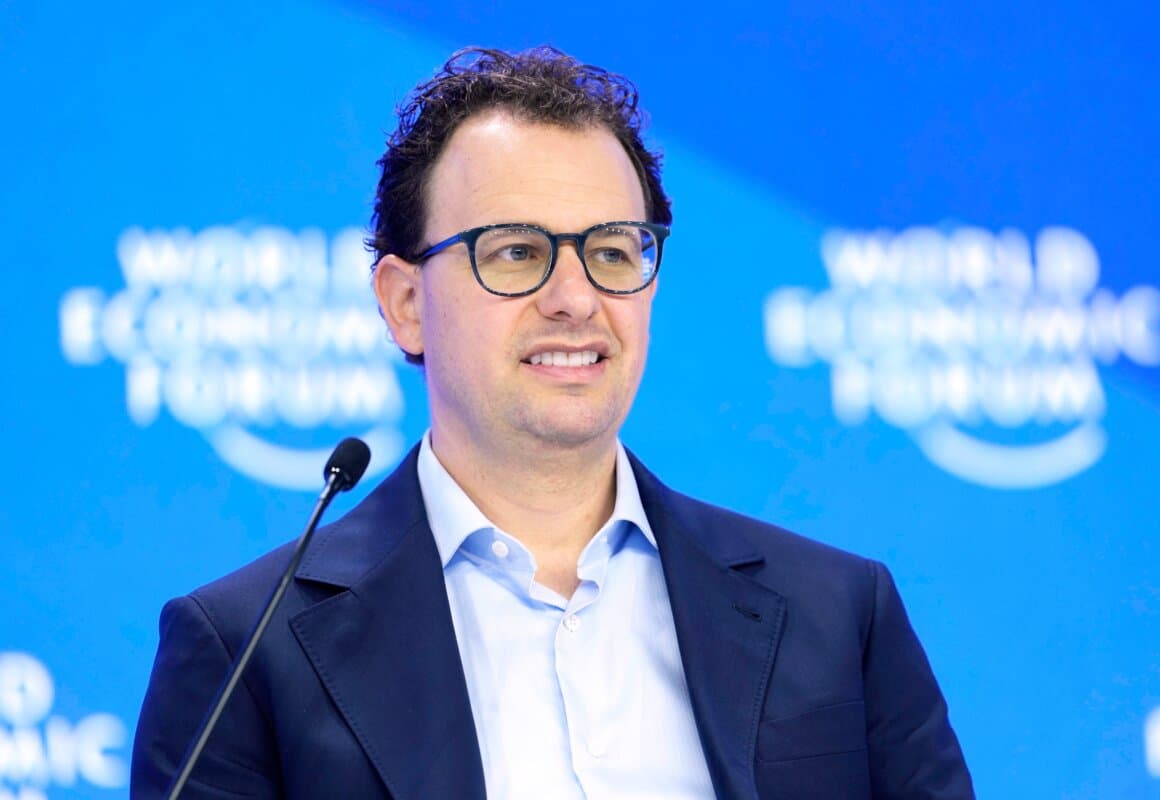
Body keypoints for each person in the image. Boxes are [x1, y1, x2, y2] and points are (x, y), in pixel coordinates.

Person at [131, 46, 974, 799]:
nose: (575, 298)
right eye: (515, 252)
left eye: (611, 251)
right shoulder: (247, 653)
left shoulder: (839, 616)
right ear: (405, 303)